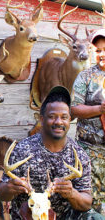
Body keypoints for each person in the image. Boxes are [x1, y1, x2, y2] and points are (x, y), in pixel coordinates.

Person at [0, 86, 104, 219]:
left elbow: (87, 202)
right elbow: (1, 193)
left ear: (70, 119)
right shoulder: (23, 149)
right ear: (42, 119)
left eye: (64, 117)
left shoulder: (79, 155)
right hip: (29, 215)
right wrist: (9, 188)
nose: (59, 122)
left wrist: (72, 193)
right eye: (52, 117)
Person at [71, 28, 105, 214]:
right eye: (98, 50)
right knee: (91, 204)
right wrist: (99, 109)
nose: (102, 54)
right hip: (89, 151)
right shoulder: (84, 76)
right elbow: (74, 109)